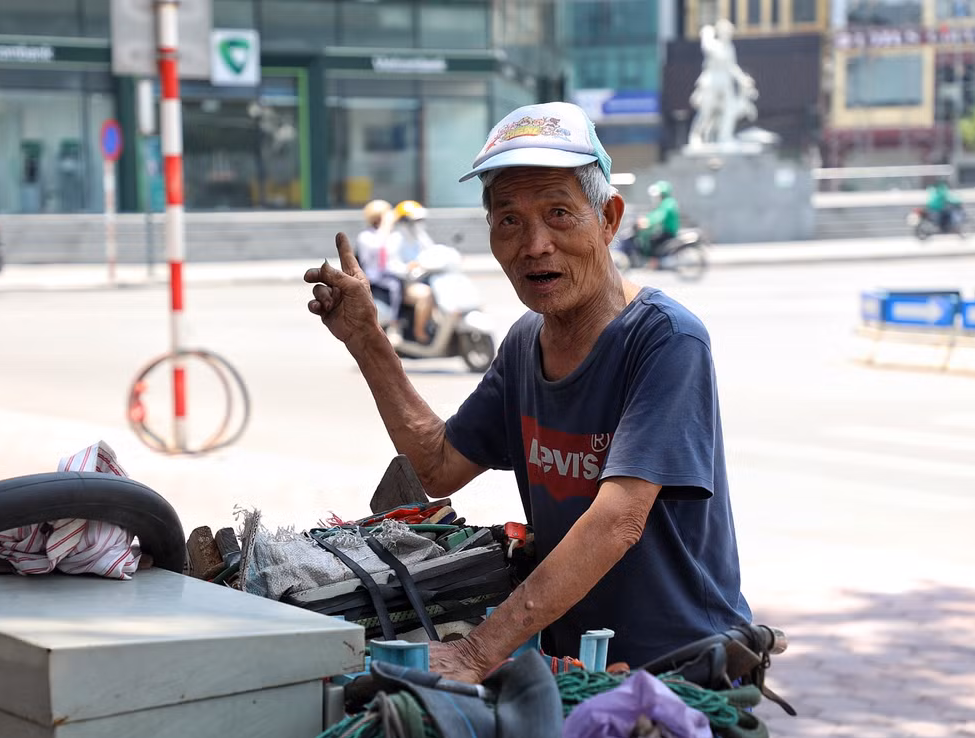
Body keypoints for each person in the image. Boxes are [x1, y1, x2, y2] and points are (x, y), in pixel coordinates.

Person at [304, 101, 751, 681]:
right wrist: (367, 340)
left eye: (560, 213)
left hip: (680, 668)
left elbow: (618, 519)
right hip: (578, 666)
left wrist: (476, 651)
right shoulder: (524, 343)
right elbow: (438, 467)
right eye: (509, 220)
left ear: (609, 219)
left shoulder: (666, 340)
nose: (535, 244)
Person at [386, 200, 438, 344]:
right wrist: (407, 268)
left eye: (420, 220)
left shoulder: (420, 236)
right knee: (427, 295)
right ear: (404, 222)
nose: (419, 224)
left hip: (425, 278)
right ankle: (420, 332)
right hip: (406, 285)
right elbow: (391, 265)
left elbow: (433, 251)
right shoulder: (395, 240)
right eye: (415, 221)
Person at [354, 199, 399, 312]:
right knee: (395, 286)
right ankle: (394, 319)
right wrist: (385, 227)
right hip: (375, 278)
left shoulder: (393, 235)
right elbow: (377, 249)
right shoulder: (366, 236)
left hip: (393, 273)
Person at [634, 180, 681, 262]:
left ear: (662, 194)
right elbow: (654, 214)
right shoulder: (665, 203)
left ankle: (654, 262)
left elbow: (659, 216)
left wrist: (648, 222)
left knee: (652, 240)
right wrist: (645, 219)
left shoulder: (668, 203)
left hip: (669, 232)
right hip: (665, 230)